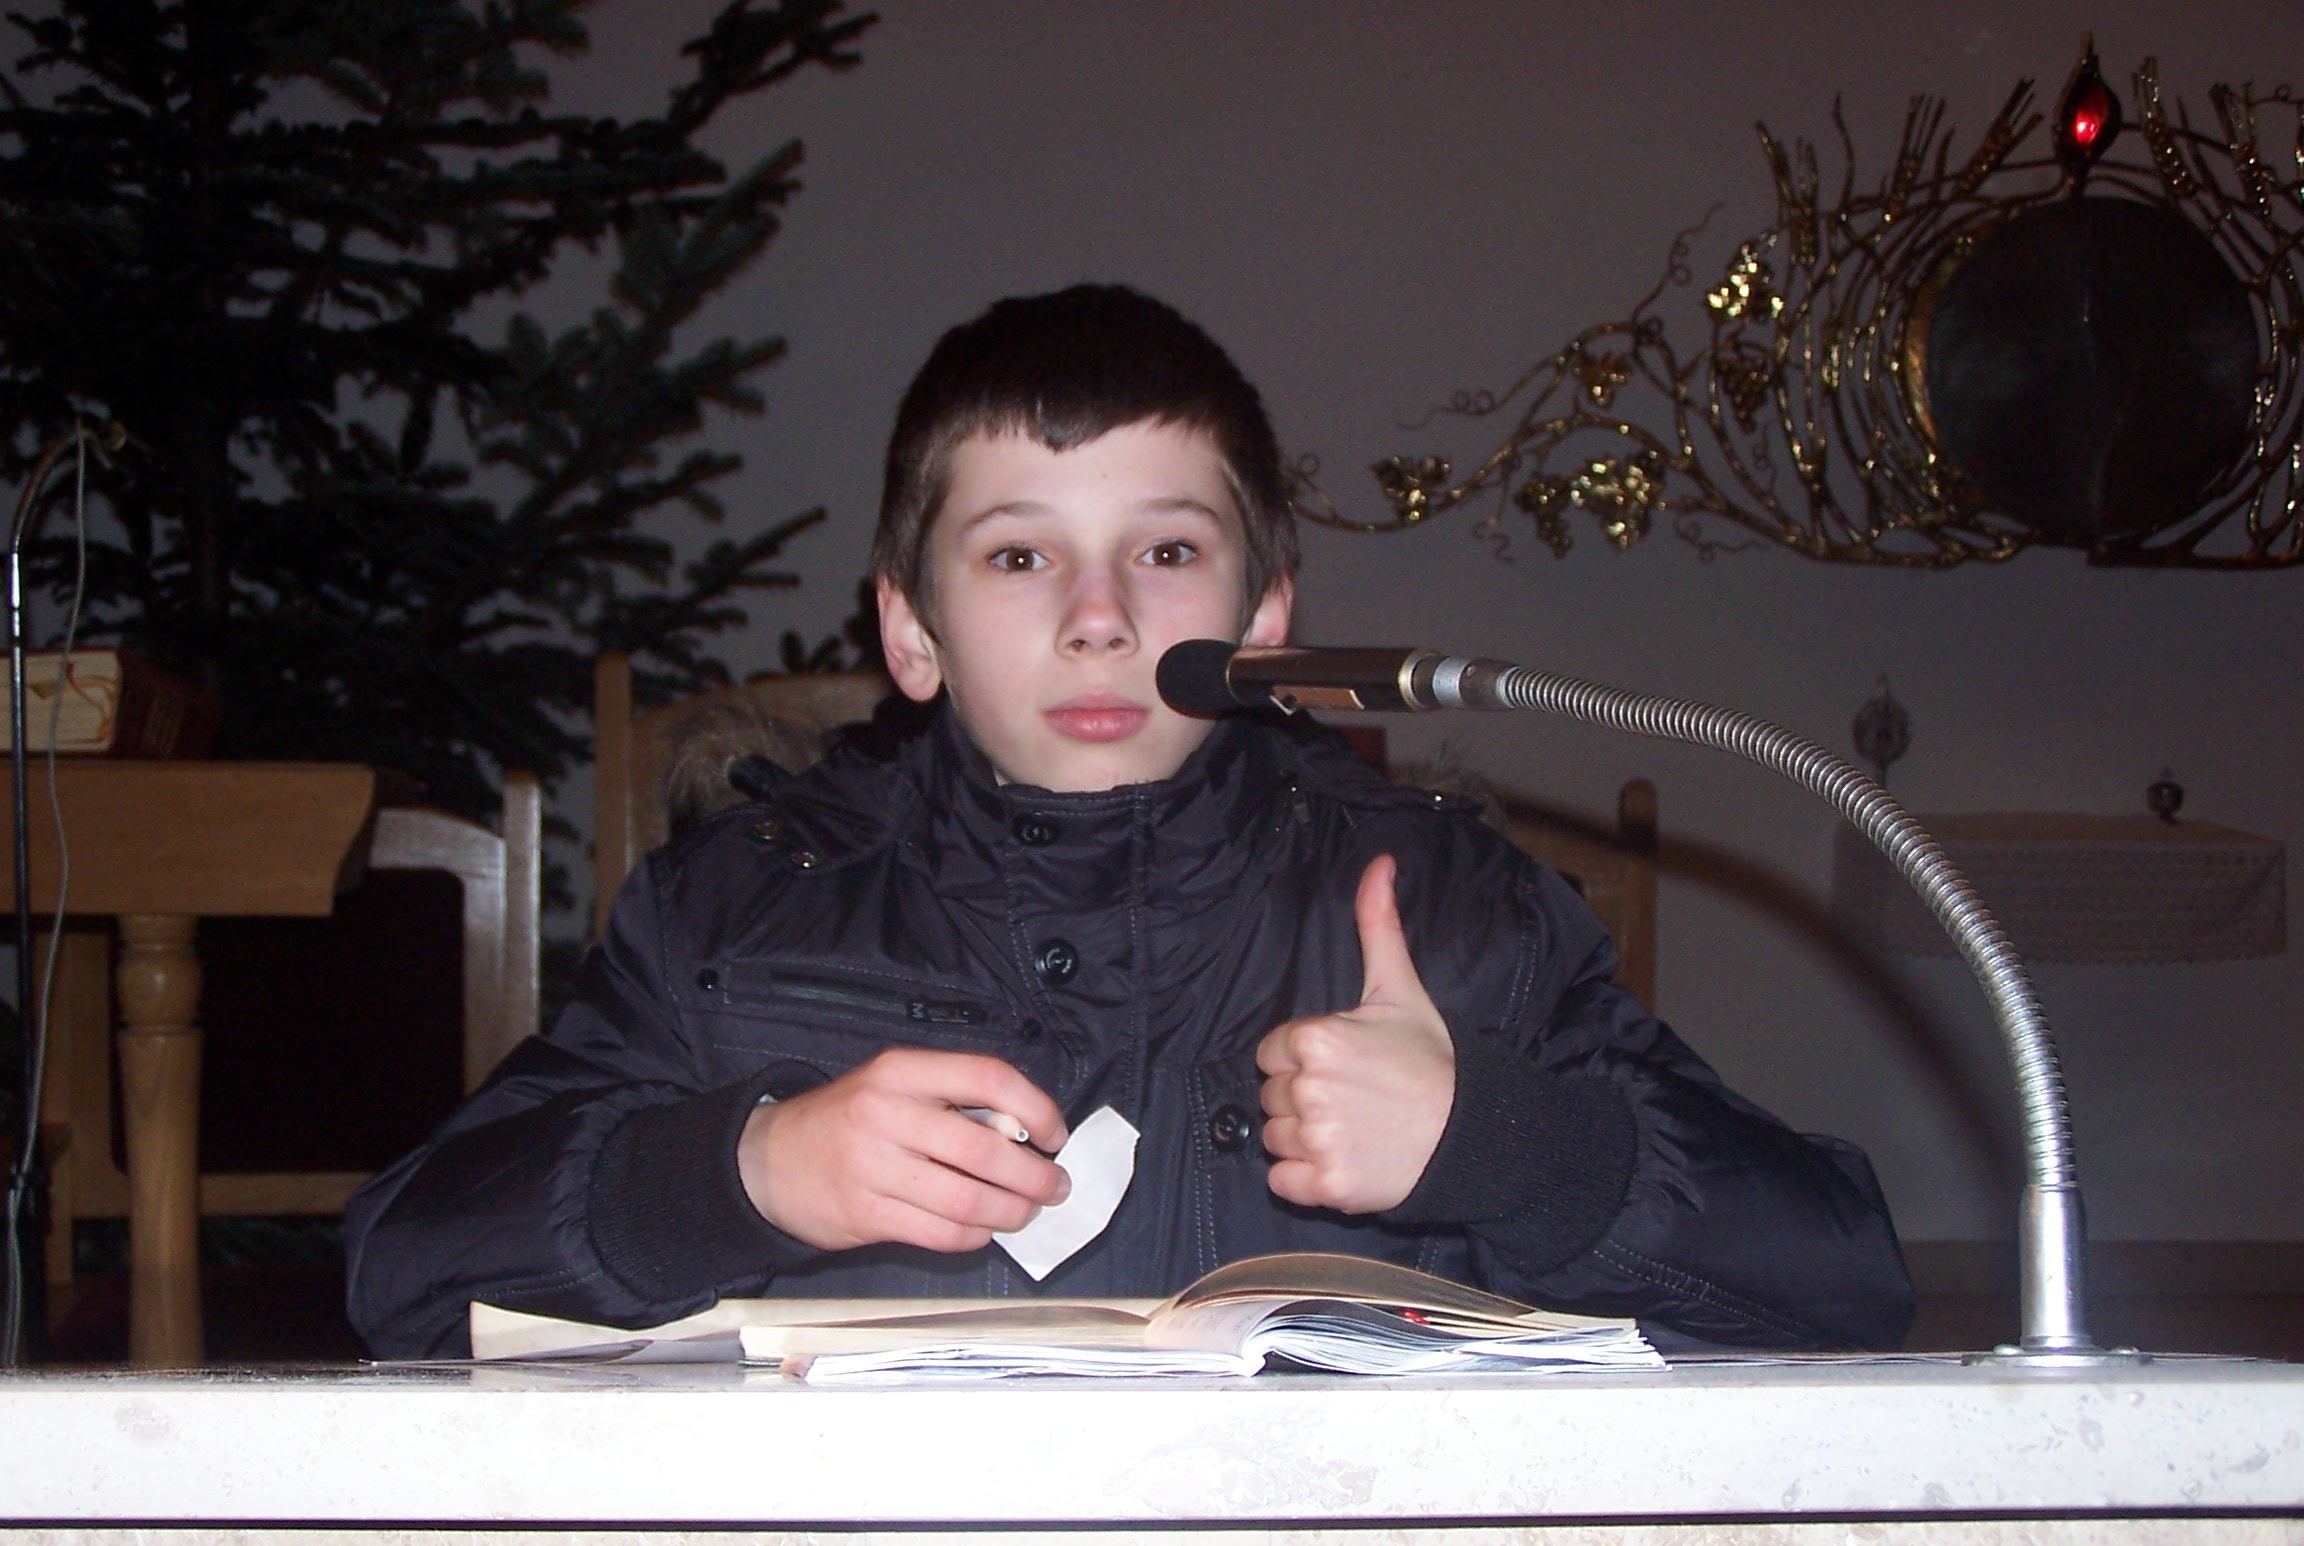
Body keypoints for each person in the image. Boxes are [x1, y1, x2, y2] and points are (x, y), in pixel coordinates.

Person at [344, 284, 1916, 1359]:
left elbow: (1844, 1281)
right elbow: (400, 1271)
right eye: (1019, 557)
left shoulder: (1447, 913)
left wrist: (1503, 1144)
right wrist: (742, 1171)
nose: (1098, 618)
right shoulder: (733, 916)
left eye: (1165, 552)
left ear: (1265, 617)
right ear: (910, 630)